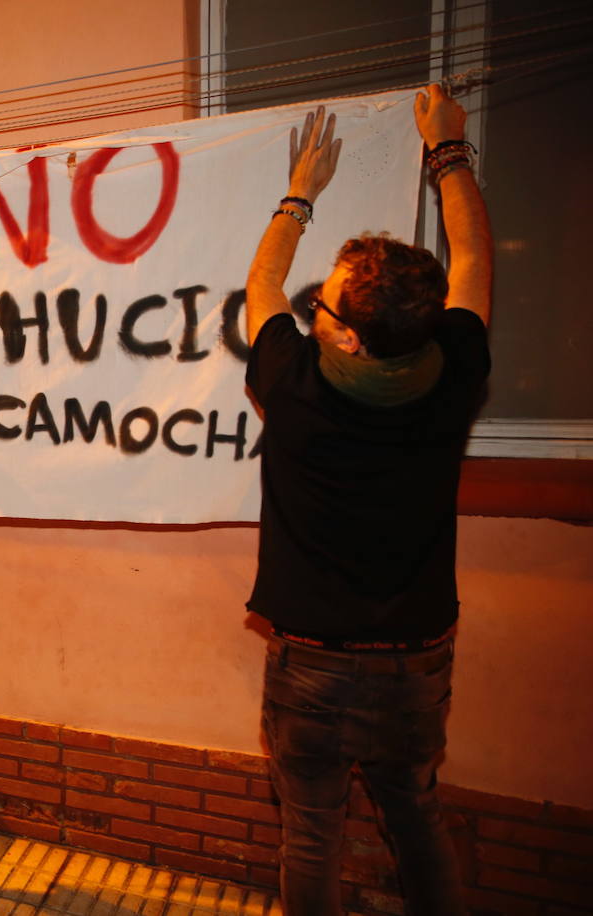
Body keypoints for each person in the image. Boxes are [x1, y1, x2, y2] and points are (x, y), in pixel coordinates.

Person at [243, 83, 492, 916]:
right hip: (418, 663)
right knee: (415, 814)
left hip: (312, 666)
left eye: (328, 302)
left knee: (310, 833)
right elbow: (475, 265)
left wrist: (298, 195)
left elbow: (262, 286)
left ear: (347, 336)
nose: (313, 304)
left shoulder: (296, 382)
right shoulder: (452, 374)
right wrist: (450, 154)